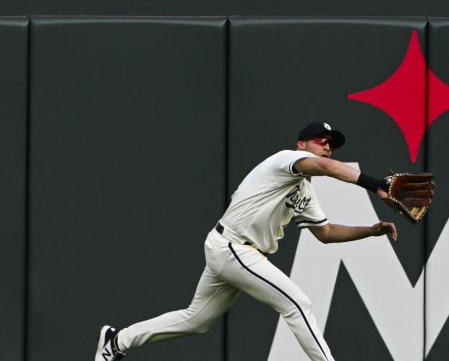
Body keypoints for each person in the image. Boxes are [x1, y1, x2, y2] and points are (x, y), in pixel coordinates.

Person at [95, 122, 397, 361]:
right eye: (320, 140)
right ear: (301, 145)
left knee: (196, 320)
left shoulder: (304, 191)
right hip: (234, 247)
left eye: (331, 143)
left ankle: (117, 340)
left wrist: (370, 230)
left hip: (233, 250)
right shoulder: (286, 160)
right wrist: (376, 185)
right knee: (298, 304)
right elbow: (327, 168)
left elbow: (326, 233)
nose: (327, 146)